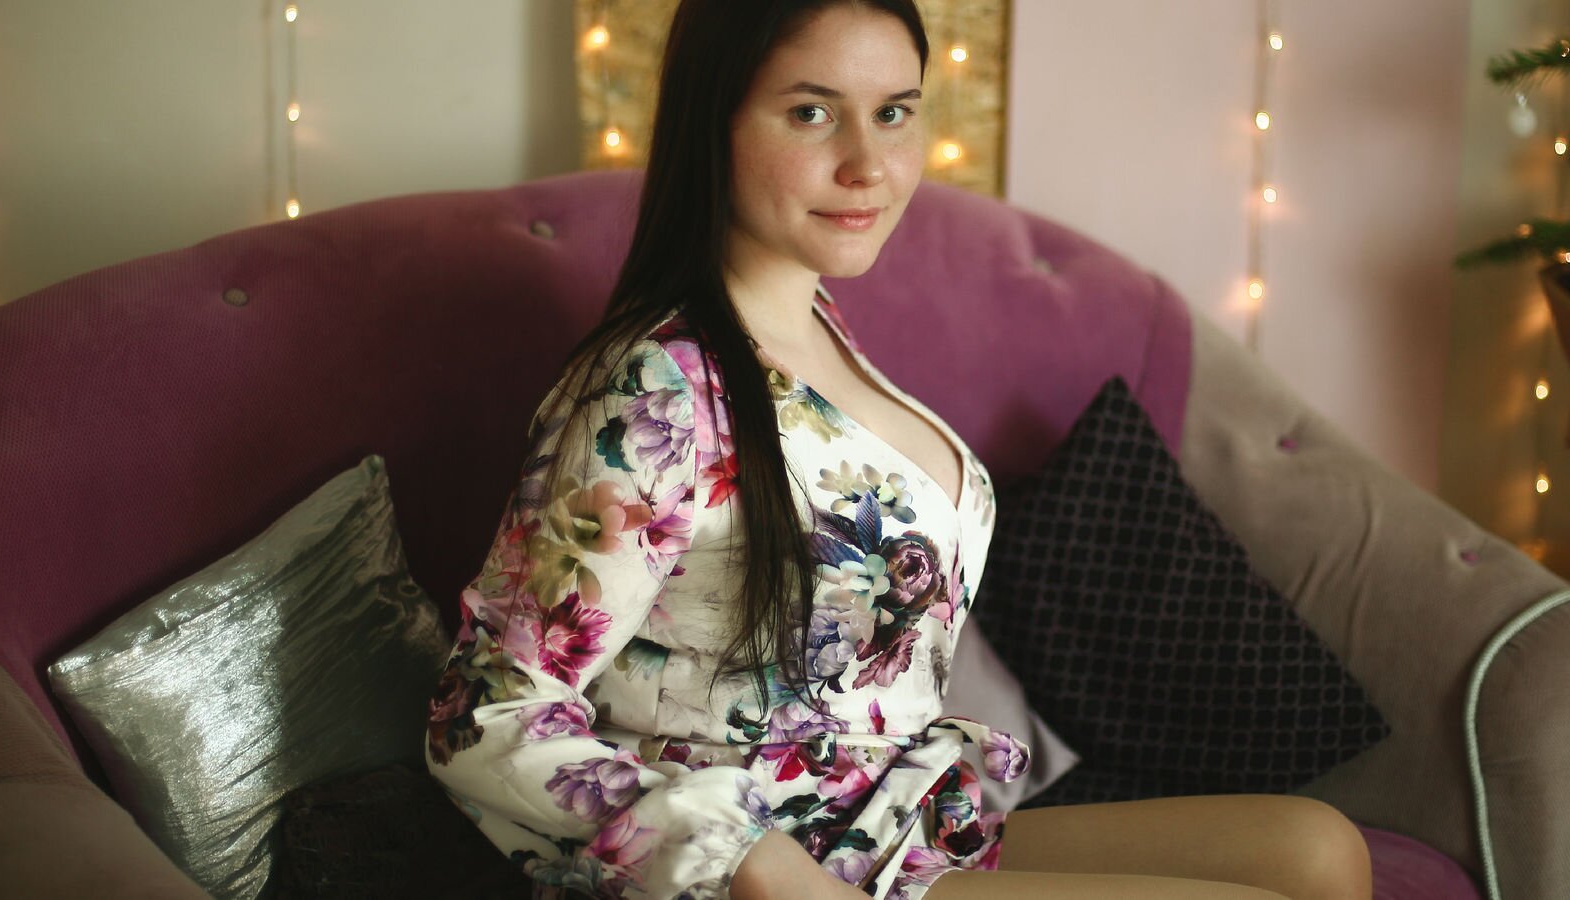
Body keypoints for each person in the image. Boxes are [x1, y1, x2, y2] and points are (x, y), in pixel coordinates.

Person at [424, 2, 1375, 898]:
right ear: (716, 125)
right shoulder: (656, 392)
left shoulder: (819, 328)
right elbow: (487, 714)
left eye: (893, 112)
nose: (869, 165)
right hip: (765, 865)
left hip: (900, 827)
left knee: (1316, 847)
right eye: (811, 113)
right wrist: (748, 859)